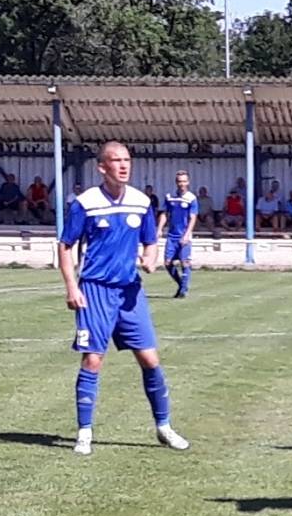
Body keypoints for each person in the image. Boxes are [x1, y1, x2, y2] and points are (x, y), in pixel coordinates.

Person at [58, 141, 189, 456]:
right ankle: (85, 432)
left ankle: (164, 426)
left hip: (130, 291)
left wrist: (150, 257)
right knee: (92, 359)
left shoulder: (141, 201)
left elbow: (150, 241)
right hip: (95, 291)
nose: (123, 165)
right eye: (116, 161)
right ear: (102, 167)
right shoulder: (86, 203)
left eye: (127, 160)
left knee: (150, 359)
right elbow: (66, 245)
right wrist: (71, 286)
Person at [156, 170, 199, 299]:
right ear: (176, 182)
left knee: (185, 262)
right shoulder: (170, 197)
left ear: (188, 182)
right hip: (171, 235)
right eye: (180, 181)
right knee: (168, 263)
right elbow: (164, 214)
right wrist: (159, 229)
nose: (182, 184)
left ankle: (183, 290)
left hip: (184, 235)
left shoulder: (191, 198)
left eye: (184, 181)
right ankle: (181, 284)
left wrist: (187, 234)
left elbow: (193, 217)